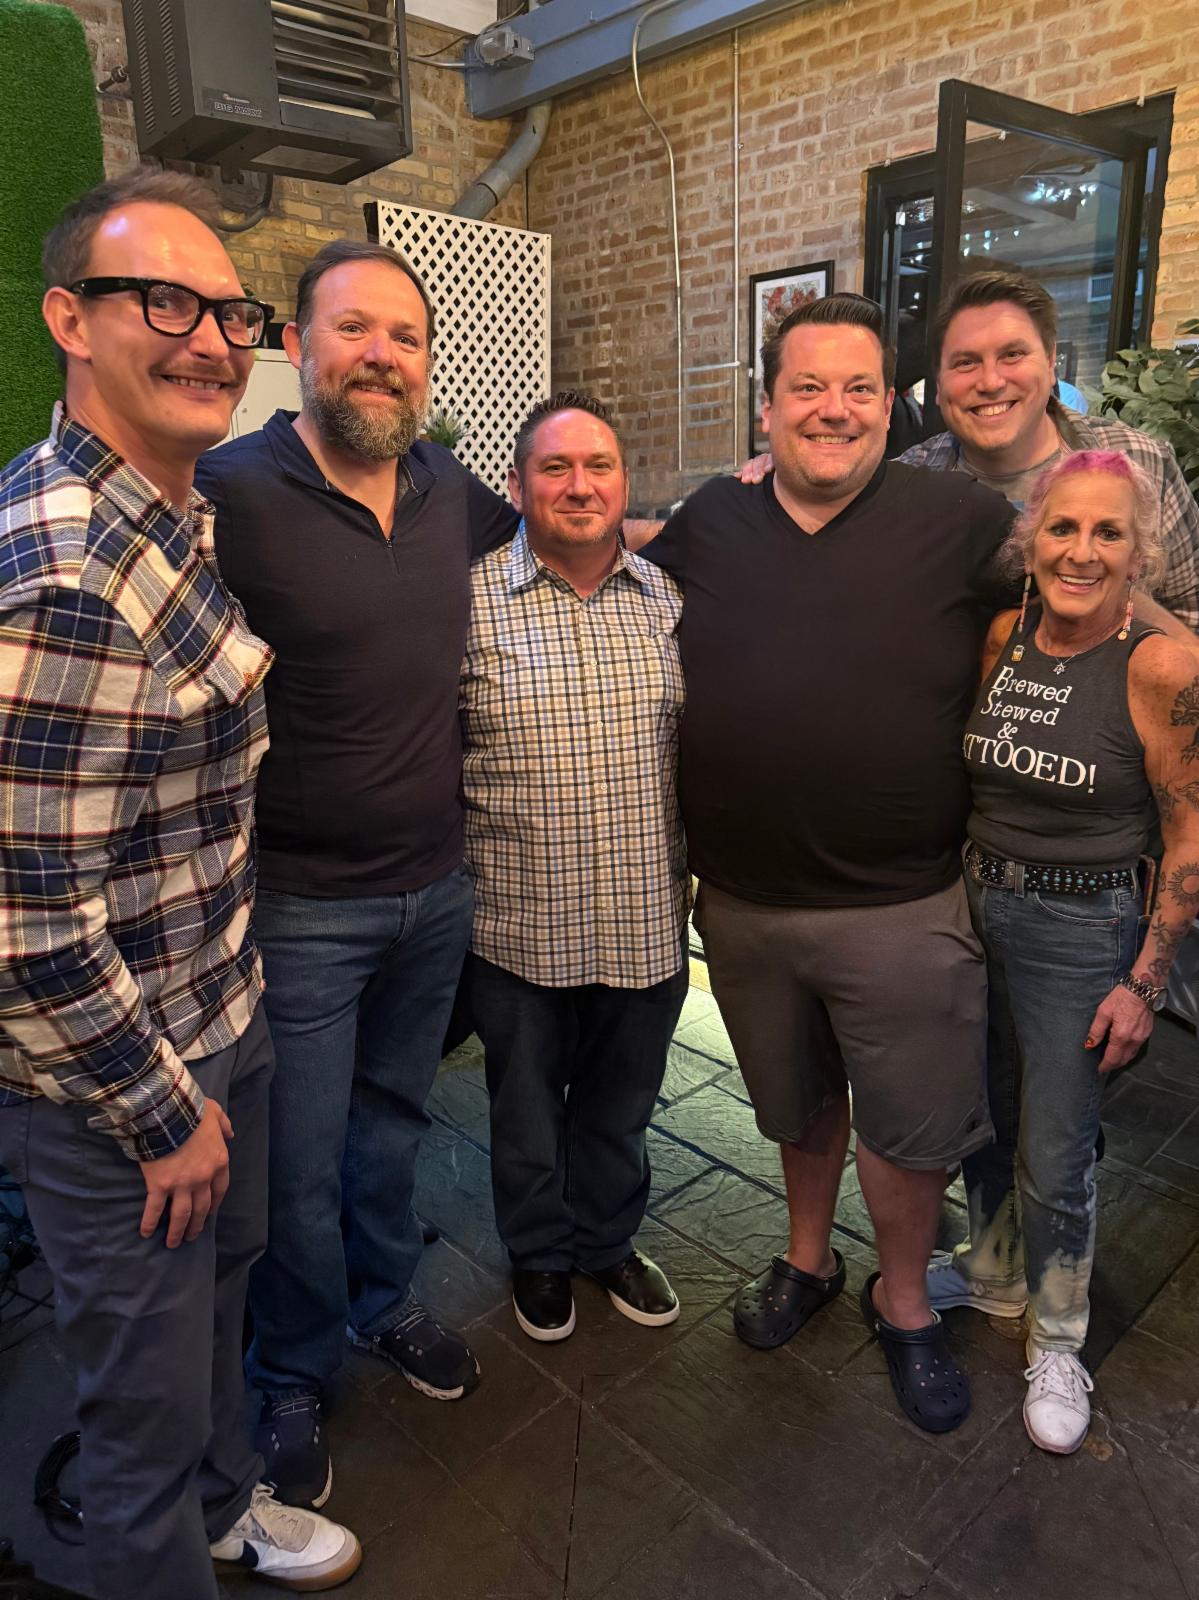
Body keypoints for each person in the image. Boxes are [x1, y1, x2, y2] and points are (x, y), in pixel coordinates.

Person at [0, 171, 359, 1600]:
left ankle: (225, 1510)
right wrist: (160, 1117)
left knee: (220, 1307)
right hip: (121, 1087)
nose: (211, 339)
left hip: (218, 1009)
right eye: (165, 302)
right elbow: (23, 920)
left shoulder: (171, 509)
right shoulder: (65, 571)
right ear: (68, 320)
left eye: (228, 311)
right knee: (139, 1424)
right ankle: (173, 1541)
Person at [640, 294, 1016, 1435]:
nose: (834, 409)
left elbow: (1079, 586)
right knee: (796, 1104)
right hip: (746, 904)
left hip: (901, 901)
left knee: (910, 1125)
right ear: (767, 409)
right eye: (807, 387)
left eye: (859, 388)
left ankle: (905, 1302)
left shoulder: (960, 517)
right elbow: (622, 565)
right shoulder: (714, 516)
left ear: (892, 406)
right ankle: (807, 1259)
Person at [195, 240, 521, 1508]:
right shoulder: (231, 487)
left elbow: (569, 525)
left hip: (434, 888)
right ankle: (288, 1369)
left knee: (392, 1124)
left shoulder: (447, 487)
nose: (381, 355)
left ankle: (383, 1302)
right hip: (297, 903)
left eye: (404, 335)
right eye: (353, 329)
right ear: (297, 347)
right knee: (296, 1160)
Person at [927, 449, 1199, 1454]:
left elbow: (1191, 837)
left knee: (1056, 1148)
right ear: (1031, 542)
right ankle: (996, 1271)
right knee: (986, 1114)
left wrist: (1145, 982)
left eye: (1109, 532)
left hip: (1082, 929)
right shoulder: (1005, 637)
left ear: (1140, 555)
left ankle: (1059, 1337)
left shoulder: (1162, 668)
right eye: (1063, 528)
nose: (1082, 551)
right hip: (975, 906)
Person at [459, 392, 688, 1342]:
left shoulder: (668, 602)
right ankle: (540, 1252)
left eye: (599, 466)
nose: (579, 485)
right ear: (517, 487)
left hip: (643, 914)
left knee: (621, 1107)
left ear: (626, 484)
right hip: (518, 920)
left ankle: (605, 1241)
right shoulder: (467, 602)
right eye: (555, 467)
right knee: (523, 1112)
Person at [901, 270, 1199, 629]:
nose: (991, 382)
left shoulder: (1144, 462)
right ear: (938, 383)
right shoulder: (904, 487)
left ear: (1049, 361)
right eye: (966, 362)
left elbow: (1191, 616)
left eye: (1013, 354)